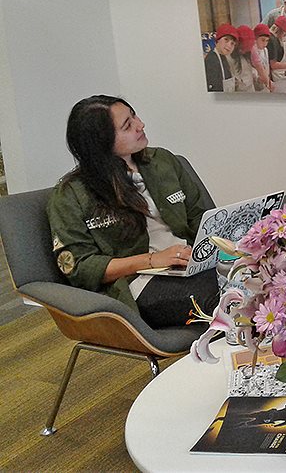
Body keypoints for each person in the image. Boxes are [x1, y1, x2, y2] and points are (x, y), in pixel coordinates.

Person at [47, 96, 221, 328]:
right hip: (137, 284)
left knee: (262, 281)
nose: (140, 125)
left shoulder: (162, 161)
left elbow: (201, 217)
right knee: (227, 302)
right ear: (101, 142)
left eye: (134, 116)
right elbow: (80, 267)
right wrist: (152, 260)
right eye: (127, 125)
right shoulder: (71, 195)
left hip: (189, 265)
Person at [204, 24, 237, 92]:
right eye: (226, 40)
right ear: (217, 40)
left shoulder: (224, 58)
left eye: (232, 43)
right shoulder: (212, 60)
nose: (229, 45)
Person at [228, 25, 257, 92]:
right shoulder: (229, 58)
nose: (243, 51)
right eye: (242, 48)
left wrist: (259, 80)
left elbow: (252, 76)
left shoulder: (247, 56)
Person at [252, 23, 274, 92]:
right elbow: (251, 69)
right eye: (262, 40)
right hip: (254, 86)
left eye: (267, 41)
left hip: (265, 84)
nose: (265, 44)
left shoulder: (265, 50)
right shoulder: (252, 51)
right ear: (255, 38)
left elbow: (266, 67)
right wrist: (258, 77)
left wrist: (268, 79)